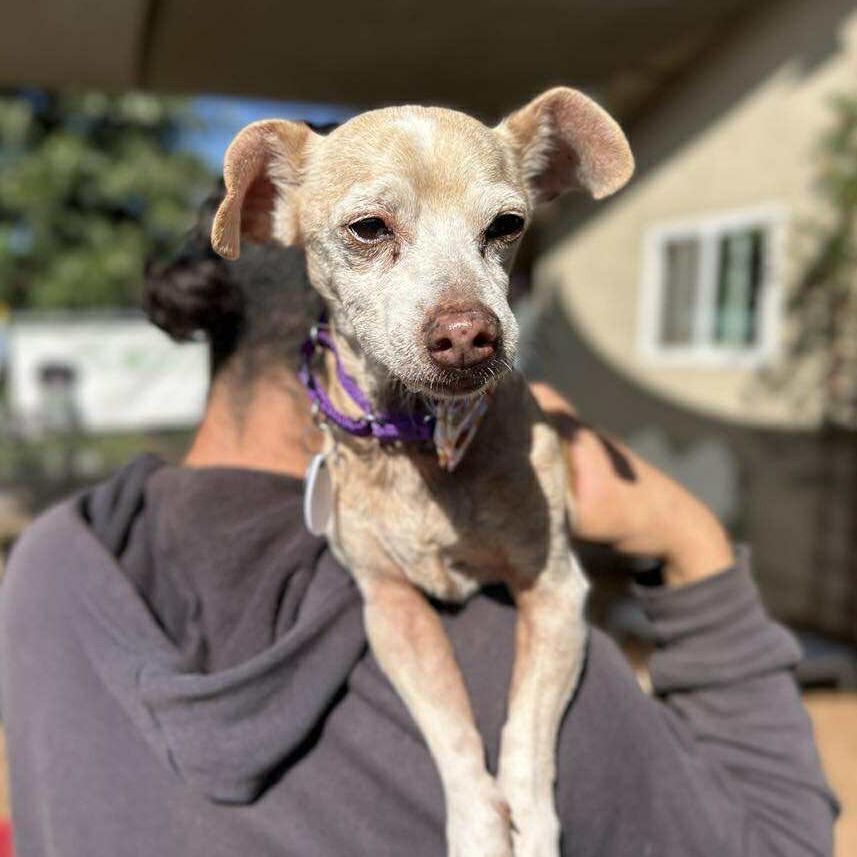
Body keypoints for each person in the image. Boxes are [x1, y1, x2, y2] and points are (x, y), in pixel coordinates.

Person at [0, 191, 837, 857]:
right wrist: (690, 544)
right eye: (371, 228)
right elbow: (782, 839)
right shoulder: (496, 655)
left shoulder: (50, 564)